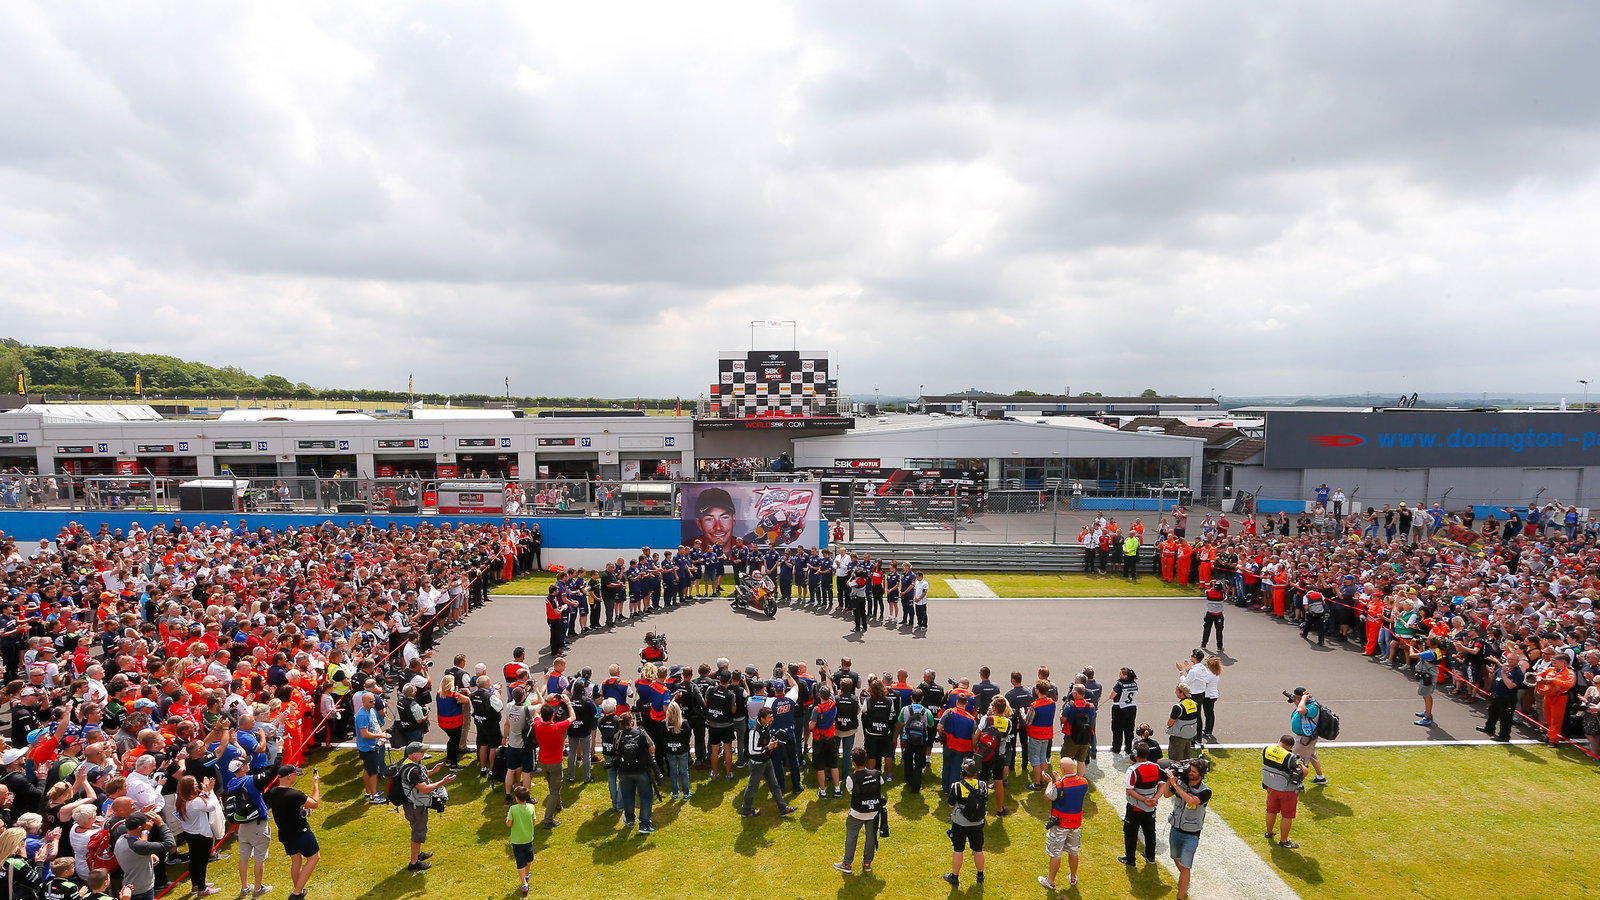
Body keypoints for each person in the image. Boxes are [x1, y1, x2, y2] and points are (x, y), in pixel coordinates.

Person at [397, 741, 455, 871]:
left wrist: (433, 771)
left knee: (419, 831)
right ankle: (414, 863)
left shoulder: (409, 764)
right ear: (413, 754)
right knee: (418, 833)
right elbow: (424, 789)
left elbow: (418, 778)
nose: (424, 754)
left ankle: (418, 854)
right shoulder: (412, 770)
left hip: (415, 805)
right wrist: (442, 782)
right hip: (415, 806)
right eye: (421, 752)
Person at [1161, 757, 1213, 900]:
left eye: (1194, 772)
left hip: (1191, 835)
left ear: (1201, 774)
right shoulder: (1181, 783)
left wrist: (1175, 785)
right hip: (1175, 829)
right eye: (1190, 770)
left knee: (1185, 866)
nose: (1190, 773)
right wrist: (1169, 780)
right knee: (1176, 859)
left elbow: (1191, 800)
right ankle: (1185, 879)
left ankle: (1180, 896)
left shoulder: (1205, 791)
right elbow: (1166, 794)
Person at [266, 765, 321, 900]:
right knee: (314, 857)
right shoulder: (295, 795)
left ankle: (299, 891)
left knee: (296, 861)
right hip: (300, 833)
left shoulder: (273, 792)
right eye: (295, 774)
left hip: (285, 835)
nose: (296, 776)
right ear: (289, 776)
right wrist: (315, 784)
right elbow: (314, 803)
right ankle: (296, 894)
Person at [223, 757, 273, 899]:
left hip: (243, 827)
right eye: (246, 763)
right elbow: (273, 771)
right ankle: (258, 889)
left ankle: (245, 887)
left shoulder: (231, 783)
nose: (249, 763)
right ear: (241, 768)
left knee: (244, 858)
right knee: (259, 859)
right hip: (257, 824)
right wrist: (280, 750)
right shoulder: (251, 780)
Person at [1039, 758, 1090, 890]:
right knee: (1073, 851)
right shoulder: (1083, 782)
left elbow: (1048, 796)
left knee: (1056, 853)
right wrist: (1059, 780)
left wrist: (1051, 782)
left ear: (1062, 769)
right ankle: (1073, 877)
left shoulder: (1060, 784)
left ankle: (1050, 881)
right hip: (1076, 823)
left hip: (1060, 824)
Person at [833, 747, 883, 875]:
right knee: (871, 837)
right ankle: (867, 864)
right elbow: (879, 784)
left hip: (857, 813)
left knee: (851, 836)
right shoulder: (877, 774)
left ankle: (847, 864)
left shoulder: (851, 779)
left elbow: (852, 791)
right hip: (873, 812)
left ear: (853, 762)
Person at [739, 707, 795, 818]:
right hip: (757, 764)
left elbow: (767, 741)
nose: (772, 719)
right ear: (762, 718)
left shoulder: (766, 726)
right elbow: (751, 750)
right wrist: (768, 747)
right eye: (770, 717)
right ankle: (745, 810)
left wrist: (775, 742)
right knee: (752, 787)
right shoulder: (754, 731)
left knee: (774, 785)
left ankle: (783, 808)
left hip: (766, 761)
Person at [174, 775, 221, 896]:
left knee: (194, 861)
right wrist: (209, 791)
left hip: (190, 834)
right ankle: (202, 889)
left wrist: (204, 792)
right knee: (201, 862)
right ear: (190, 787)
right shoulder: (196, 801)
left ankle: (197, 884)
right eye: (195, 784)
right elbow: (212, 806)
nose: (197, 786)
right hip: (201, 835)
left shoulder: (180, 800)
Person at [944, 758, 988, 887]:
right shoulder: (982, 785)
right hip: (978, 823)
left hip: (960, 824)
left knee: (958, 850)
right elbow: (985, 801)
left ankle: (955, 877)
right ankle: (980, 875)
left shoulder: (957, 786)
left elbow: (951, 805)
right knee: (978, 850)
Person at [113, 811, 176, 900]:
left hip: (131, 887)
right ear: (139, 828)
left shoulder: (122, 838)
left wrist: (149, 853)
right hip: (142, 891)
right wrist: (161, 823)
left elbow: (142, 844)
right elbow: (170, 843)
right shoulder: (139, 846)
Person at [612, 713, 658, 833]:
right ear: (631, 722)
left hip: (624, 772)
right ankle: (644, 824)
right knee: (646, 796)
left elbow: (615, 752)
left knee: (627, 796)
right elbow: (652, 747)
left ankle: (630, 819)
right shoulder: (641, 733)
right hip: (641, 770)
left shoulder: (617, 736)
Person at [532, 693, 574, 823]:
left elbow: (536, 712)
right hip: (555, 762)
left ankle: (558, 804)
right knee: (554, 791)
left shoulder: (537, 725)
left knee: (552, 785)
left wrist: (546, 700)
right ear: (553, 716)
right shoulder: (557, 727)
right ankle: (548, 820)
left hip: (542, 762)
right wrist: (568, 703)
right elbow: (573, 717)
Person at [1118, 743, 1162, 865]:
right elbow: (1162, 784)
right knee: (1150, 832)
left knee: (1130, 833)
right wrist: (1155, 798)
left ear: (1135, 754)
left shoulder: (1133, 770)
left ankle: (1130, 859)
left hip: (1135, 807)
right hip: (1151, 807)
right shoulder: (1156, 767)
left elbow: (1129, 789)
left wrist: (1143, 800)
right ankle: (1150, 856)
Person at [1262, 735, 1307, 849]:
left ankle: (1269, 832)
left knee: (1271, 811)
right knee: (1287, 815)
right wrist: (1301, 764)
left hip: (1271, 786)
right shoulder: (1291, 757)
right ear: (1291, 746)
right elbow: (1304, 772)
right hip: (1286, 790)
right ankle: (1284, 841)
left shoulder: (1267, 749)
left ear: (1280, 741)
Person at [1288, 688, 1327, 784]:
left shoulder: (1312, 706)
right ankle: (1320, 777)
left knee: (1299, 761)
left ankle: (1299, 783)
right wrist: (1296, 701)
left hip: (1305, 738)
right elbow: (1300, 707)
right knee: (1312, 757)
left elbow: (1301, 710)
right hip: (1306, 737)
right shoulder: (1308, 703)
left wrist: (1303, 699)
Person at [505, 785, 537, 894]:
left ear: (517, 798)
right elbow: (533, 822)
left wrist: (507, 819)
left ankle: (524, 883)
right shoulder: (531, 807)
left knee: (520, 862)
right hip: (528, 839)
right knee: (529, 859)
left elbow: (508, 824)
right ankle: (526, 876)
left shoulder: (513, 809)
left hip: (517, 841)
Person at [1109, 668, 1139, 756]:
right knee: (1129, 729)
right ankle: (1129, 748)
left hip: (1120, 708)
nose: (1119, 676)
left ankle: (1116, 748)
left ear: (1125, 675)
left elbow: (1111, 696)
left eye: (1121, 674)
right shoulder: (1134, 684)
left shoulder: (1120, 684)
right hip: (1132, 708)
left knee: (1117, 729)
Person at [1166, 684, 1200, 761]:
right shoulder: (1195, 704)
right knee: (1186, 759)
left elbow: (1170, 723)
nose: (1175, 692)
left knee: (1175, 760)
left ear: (1181, 693)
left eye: (1176, 690)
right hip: (1190, 735)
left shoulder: (1178, 707)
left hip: (1178, 737)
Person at [1201, 579, 1226, 653]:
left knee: (1206, 629)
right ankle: (1219, 646)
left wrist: (1213, 584)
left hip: (1209, 614)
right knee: (1219, 631)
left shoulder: (1208, 592)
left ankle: (1203, 644)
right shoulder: (1222, 594)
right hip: (1218, 615)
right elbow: (1225, 596)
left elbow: (1207, 590)